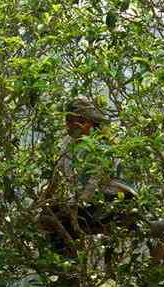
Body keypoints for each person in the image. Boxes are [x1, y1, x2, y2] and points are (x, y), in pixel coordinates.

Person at [40, 96, 139, 255]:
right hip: (93, 201)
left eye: (76, 121)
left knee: (65, 221)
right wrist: (44, 203)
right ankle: (64, 262)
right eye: (68, 120)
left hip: (117, 202)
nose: (70, 125)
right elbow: (55, 178)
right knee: (52, 215)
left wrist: (75, 206)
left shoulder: (101, 145)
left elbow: (93, 182)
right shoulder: (68, 144)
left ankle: (69, 265)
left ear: (90, 123)